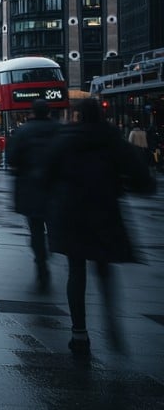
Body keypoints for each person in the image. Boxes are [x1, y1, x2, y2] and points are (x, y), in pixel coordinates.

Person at [42, 98, 154, 357]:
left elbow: (44, 175)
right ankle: (111, 321)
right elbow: (142, 179)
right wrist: (124, 186)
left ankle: (79, 332)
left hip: (71, 213)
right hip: (104, 211)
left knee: (76, 271)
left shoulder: (63, 139)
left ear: (77, 116)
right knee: (104, 269)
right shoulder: (113, 139)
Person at [3, 99, 59, 290]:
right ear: (49, 112)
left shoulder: (23, 131)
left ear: (32, 113)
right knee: (53, 223)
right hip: (55, 188)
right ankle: (52, 246)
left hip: (30, 188)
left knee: (35, 229)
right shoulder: (59, 129)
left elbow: (11, 158)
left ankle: (41, 262)